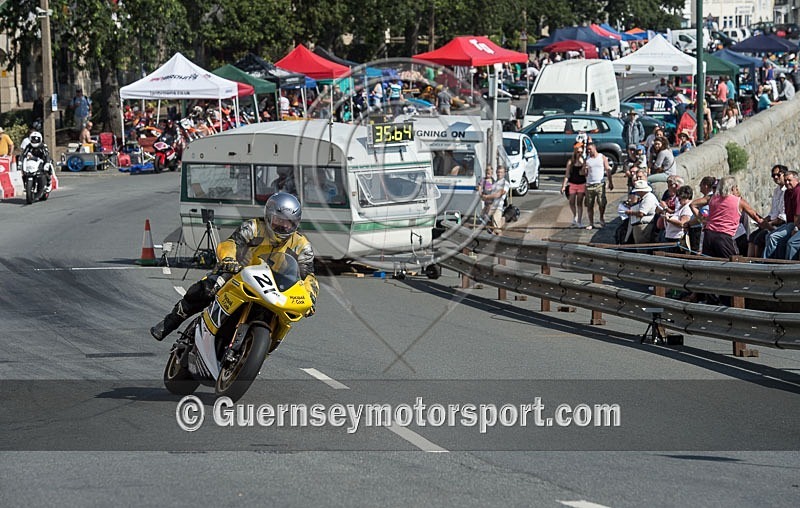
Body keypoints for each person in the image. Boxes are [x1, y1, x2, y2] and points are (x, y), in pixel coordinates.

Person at [150, 192, 319, 341]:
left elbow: (308, 276)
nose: (283, 226)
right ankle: (169, 322)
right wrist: (229, 259)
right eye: (279, 221)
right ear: (269, 216)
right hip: (239, 273)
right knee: (208, 288)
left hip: (275, 286)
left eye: (289, 223)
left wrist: (310, 297)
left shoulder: (301, 245)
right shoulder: (253, 228)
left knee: (289, 314)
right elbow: (231, 243)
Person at [690, 176, 762, 259]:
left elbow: (692, 204)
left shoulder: (712, 198)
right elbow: (756, 217)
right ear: (733, 187)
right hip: (724, 237)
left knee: (710, 265)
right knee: (732, 263)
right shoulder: (739, 201)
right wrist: (770, 228)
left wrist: (702, 219)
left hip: (709, 235)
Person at [748, 165, 786, 258]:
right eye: (773, 176)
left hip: (781, 223)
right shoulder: (777, 191)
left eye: (778, 174)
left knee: (760, 238)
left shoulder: (787, 191)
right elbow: (772, 213)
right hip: (774, 221)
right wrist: (763, 221)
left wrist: (769, 223)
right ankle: (750, 262)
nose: (776, 177)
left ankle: (759, 262)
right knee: (752, 236)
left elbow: (783, 217)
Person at [582, 140, 614, 230]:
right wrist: (584, 169)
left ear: (594, 148)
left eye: (590, 149)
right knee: (589, 205)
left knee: (602, 202)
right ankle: (591, 222)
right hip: (589, 185)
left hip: (600, 184)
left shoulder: (602, 157)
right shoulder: (587, 159)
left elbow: (607, 169)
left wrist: (610, 182)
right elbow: (582, 173)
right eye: (587, 150)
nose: (589, 151)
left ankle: (601, 217)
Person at [624, 179, 658, 244]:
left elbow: (641, 213)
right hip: (642, 223)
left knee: (641, 243)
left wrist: (630, 212)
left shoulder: (648, 199)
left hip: (644, 225)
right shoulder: (645, 197)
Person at [562, 141, 587, 228]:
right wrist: (563, 186)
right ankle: (575, 215)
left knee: (579, 202)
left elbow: (584, 173)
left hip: (581, 183)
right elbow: (567, 174)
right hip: (572, 183)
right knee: (571, 201)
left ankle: (579, 221)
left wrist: (583, 165)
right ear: (575, 152)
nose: (579, 154)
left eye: (581, 152)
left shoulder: (584, 161)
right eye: (578, 152)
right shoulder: (571, 162)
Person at [662, 185, 694, 251]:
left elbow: (683, 223)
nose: (678, 201)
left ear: (685, 196)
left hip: (678, 238)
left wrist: (669, 219)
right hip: (671, 237)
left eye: (680, 199)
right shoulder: (682, 207)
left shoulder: (687, 208)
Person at [480, 165, 510, 235]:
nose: (499, 174)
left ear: (504, 173)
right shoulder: (494, 183)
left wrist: (487, 197)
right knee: (487, 225)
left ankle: (500, 242)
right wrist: (482, 192)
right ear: (496, 172)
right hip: (489, 207)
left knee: (497, 229)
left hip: (497, 207)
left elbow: (499, 194)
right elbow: (487, 190)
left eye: (501, 172)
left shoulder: (505, 183)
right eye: (498, 172)